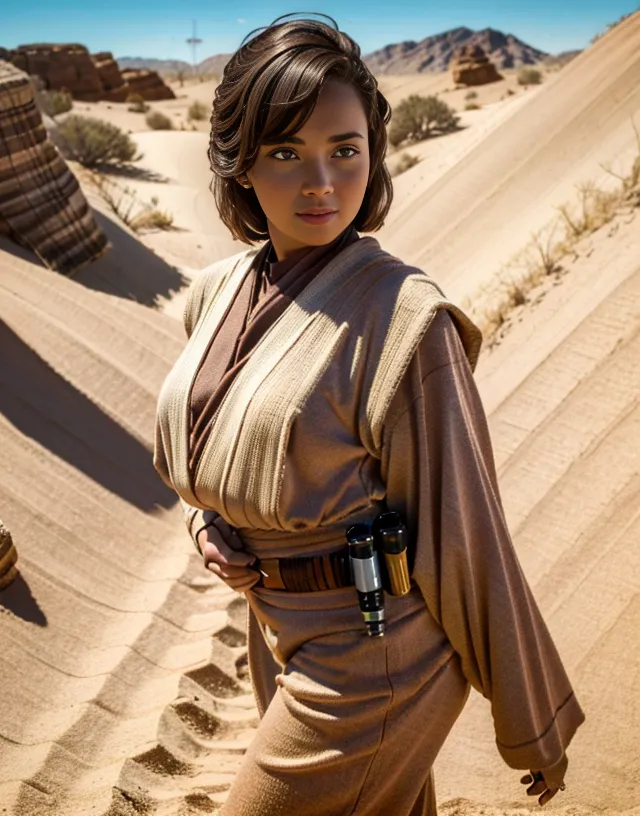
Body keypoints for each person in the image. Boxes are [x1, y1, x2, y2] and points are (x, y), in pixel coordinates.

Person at [153, 13, 585, 816]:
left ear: (374, 155)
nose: (321, 182)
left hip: (373, 654)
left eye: (345, 150)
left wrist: (534, 720)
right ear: (240, 163)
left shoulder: (405, 321)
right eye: (286, 152)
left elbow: (468, 532)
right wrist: (205, 527)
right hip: (273, 630)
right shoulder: (216, 294)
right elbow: (208, 455)